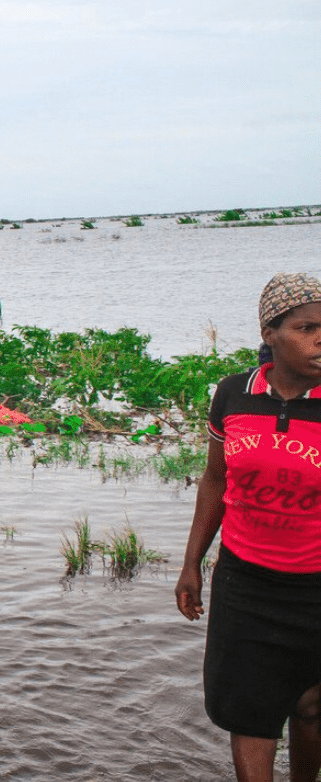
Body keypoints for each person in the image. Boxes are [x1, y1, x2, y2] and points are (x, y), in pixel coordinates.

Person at [174, 272, 321, 782]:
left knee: (310, 707)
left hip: (314, 586)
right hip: (244, 582)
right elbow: (215, 480)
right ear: (270, 334)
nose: (320, 339)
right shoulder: (234, 394)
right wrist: (191, 563)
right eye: (306, 328)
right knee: (250, 710)